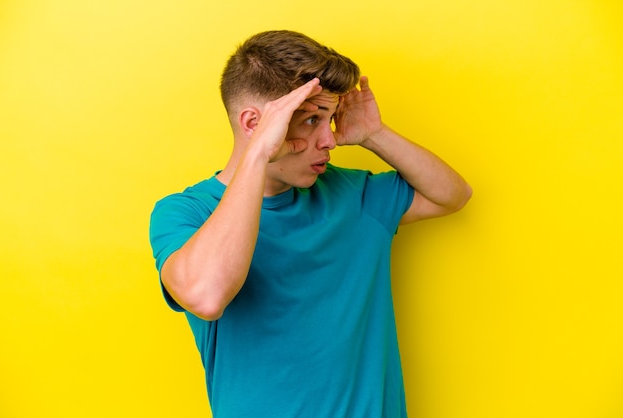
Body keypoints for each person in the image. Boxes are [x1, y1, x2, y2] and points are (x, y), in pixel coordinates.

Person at [149, 30, 472, 418]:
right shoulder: (187, 213)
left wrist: (374, 134)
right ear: (255, 123)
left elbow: (451, 195)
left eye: (331, 119)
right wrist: (258, 154)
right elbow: (206, 296)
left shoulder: (352, 194)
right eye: (310, 120)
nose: (330, 141)